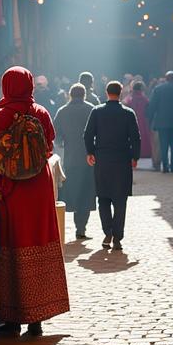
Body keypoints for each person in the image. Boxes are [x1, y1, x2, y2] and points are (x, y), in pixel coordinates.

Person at [0, 67, 70, 337]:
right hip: (39, 189)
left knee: (13, 246)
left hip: (12, 191)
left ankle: (13, 319)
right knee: (40, 241)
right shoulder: (40, 112)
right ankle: (37, 320)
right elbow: (49, 147)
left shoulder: (2, 115)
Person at [84, 80, 141, 252]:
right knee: (120, 199)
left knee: (103, 198)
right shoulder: (128, 113)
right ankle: (117, 236)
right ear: (121, 93)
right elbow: (135, 137)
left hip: (102, 160)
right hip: (122, 160)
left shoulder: (97, 111)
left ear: (107, 92)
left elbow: (87, 134)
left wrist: (90, 152)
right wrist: (135, 157)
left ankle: (107, 231)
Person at [53, 83, 96, 239]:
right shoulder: (91, 109)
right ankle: (81, 227)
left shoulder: (62, 111)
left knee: (73, 191)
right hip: (89, 158)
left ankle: (70, 225)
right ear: (84, 95)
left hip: (70, 159)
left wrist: (62, 143)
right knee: (86, 191)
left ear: (70, 95)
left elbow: (55, 137)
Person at [147, 70, 173, 172]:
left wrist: (150, 119)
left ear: (166, 78)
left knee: (163, 144)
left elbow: (153, 105)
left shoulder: (158, 89)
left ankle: (165, 166)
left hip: (162, 122)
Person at [124, 81, 151, 169]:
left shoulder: (129, 99)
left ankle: (133, 153)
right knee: (143, 136)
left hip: (131, 121)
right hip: (143, 120)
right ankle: (145, 152)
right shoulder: (145, 99)